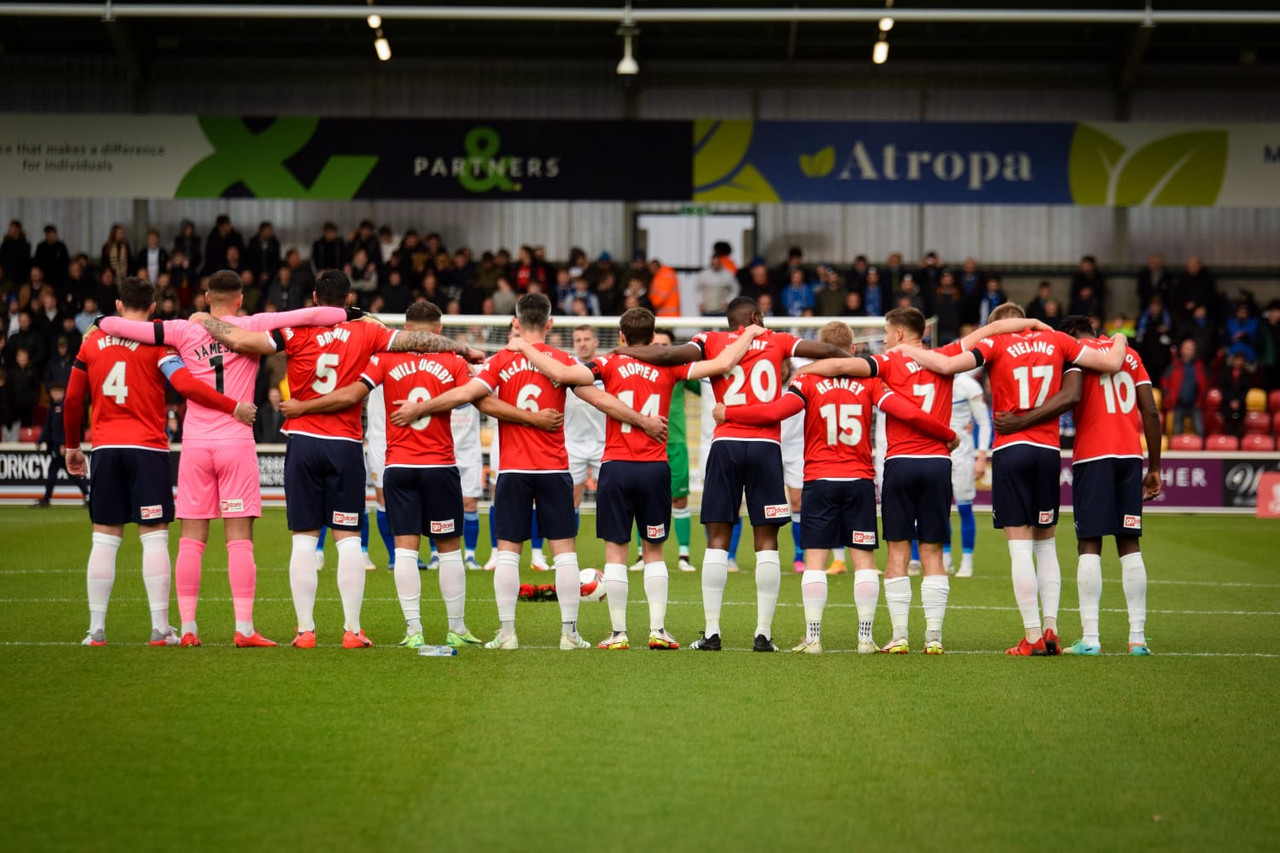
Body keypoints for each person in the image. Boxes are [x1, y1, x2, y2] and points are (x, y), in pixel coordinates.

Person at [187, 269, 483, 649]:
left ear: (313, 298)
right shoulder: (367, 331)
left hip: (303, 442)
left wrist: (202, 318)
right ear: (347, 300)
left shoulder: (294, 329)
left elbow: (241, 339)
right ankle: (352, 629)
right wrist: (459, 348)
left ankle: (305, 631)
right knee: (347, 539)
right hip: (344, 444)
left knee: (304, 540)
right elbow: (415, 339)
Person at [279, 301, 556, 649]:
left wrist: (304, 407)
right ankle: (456, 626)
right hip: (439, 466)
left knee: (405, 549)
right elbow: (480, 401)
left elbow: (352, 393)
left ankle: (413, 631)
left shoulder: (383, 359)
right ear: (439, 331)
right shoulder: (453, 360)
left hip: (399, 466)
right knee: (449, 549)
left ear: (403, 331)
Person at [100, 272, 350, 647]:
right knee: (239, 540)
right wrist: (353, 313)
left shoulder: (182, 330)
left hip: (196, 445)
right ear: (239, 299)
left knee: (190, 540)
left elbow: (119, 326)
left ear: (206, 296)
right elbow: (317, 316)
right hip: (235, 442)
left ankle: (187, 628)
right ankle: (245, 629)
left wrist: (101, 321)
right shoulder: (253, 324)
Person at [392, 293, 644, 651]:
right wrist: (641, 420)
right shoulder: (562, 360)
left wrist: (420, 407)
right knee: (565, 552)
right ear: (550, 323)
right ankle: (569, 634)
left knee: (508, 551)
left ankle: (507, 633)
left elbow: (470, 395)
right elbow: (600, 398)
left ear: (516, 321)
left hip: (512, 469)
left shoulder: (501, 360)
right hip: (555, 468)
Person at [513, 308, 760, 651]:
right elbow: (721, 364)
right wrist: (749, 334)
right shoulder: (668, 364)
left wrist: (524, 346)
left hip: (615, 467)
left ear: (623, 337)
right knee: (654, 552)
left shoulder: (609, 363)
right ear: (653, 336)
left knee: (616, 554)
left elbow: (561, 373)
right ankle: (658, 630)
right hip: (654, 468)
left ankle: (618, 634)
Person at [614, 296, 852, 652]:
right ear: (755, 316)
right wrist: (859, 360)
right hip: (766, 447)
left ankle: (712, 633)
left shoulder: (709, 340)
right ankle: (763, 635)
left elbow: (666, 356)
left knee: (717, 538)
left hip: (724, 445)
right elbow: (824, 350)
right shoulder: (780, 340)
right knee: (767, 539)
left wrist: (623, 354)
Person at [800, 309, 1036, 653]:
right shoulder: (947, 355)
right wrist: (1037, 325)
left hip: (899, 462)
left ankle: (899, 635)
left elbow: (837, 367)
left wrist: (805, 370)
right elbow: (996, 326)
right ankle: (934, 636)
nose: (882, 339)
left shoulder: (887, 361)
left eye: (885, 332)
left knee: (898, 551)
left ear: (898, 335)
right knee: (933, 551)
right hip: (938, 462)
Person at [902, 303, 1127, 655]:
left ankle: (1033, 636)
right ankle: (1052, 629)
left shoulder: (995, 344)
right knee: (1046, 545)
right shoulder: (1056, 341)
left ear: (996, 326)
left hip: (1011, 449)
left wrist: (906, 350)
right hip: (1048, 451)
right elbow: (1112, 363)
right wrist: (1118, 338)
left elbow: (945, 365)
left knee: (1019, 547)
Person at [720, 321, 957, 653]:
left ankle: (814, 638)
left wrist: (729, 412)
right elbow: (907, 412)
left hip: (819, 480)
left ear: (821, 349)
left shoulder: (807, 380)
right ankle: (865, 638)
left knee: (815, 560)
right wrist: (948, 434)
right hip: (859, 480)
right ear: (855, 350)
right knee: (864, 561)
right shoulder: (872, 383)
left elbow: (775, 411)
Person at [62, 275, 254, 646]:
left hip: (104, 448)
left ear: (118, 305)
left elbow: (72, 400)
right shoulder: (160, 342)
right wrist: (232, 406)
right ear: (152, 308)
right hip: (148, 449)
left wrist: (73, 445)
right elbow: (185, 386)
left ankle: (96, 630)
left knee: (104, 539)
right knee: (154, 539)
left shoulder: (93, 341)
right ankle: (160, 628)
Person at [993, 315, 1161, 656]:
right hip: (1130, 455)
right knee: (1130, 543)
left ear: (1069, 334)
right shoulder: (1127, 353)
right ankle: (1138, 639)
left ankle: (1092, 639)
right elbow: (1151, 411)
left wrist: (1021, 420)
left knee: (1090, 544)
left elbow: (1068, 396)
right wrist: (1155, 466)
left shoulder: (1075, 353)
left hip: (1092, 456)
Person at [945, 370, 990, 578]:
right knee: (939, 510)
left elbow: (983, 421)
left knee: (964, 508)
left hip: (963, 455)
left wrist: (981, 456)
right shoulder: (930, 381)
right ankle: (945, 559)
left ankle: (967, 561)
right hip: (938, 454)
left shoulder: (968, 386)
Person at [564, 325, 606, 526]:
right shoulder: (568, 370)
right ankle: (568, 556)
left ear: (596, 342)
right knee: (570, 501)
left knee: (611, 501)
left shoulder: (606, 369)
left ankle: (615, 555)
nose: (582, 343)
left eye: (586, 339)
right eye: (578, 340)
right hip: (573, 444)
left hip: (604, 444)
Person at [35, 383, 88, 506]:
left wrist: (65, 444)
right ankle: (86, 494)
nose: (56, 394)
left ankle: (46, 499)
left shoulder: (65, 407)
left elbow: (68, 427)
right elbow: (48, 426)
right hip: (55, 446)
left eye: (59, 392)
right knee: (69, 473)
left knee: (53, 472)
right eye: (54, 391)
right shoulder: (53, 408)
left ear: (63, 392)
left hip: (61, 447)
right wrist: (40, 440)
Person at [1162, 339, 1207, 437]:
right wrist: (1169, 399)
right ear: (1182, 350)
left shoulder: (1199, 366)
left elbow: (1204, 385)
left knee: (1200, 432)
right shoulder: (1174, 366)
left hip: (1195, 406)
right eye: (1188, 349)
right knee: (1176, 433)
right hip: (1178, 405)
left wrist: (1200, 401)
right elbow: (1165, 383)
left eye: (1192, 349)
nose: (1190, 351)